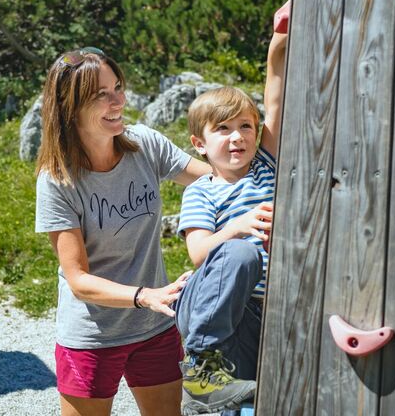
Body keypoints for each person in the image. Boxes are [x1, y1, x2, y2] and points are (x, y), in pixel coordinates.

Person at [34, 47, 210, 416]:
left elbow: (214, 179)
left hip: (154, 326)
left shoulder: (144, 145)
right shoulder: (58, 180)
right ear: (70, 107)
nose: (119, 100)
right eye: (103, 95)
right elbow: (79, 280)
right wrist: (145, 295)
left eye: (118, 87)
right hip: (92, 337)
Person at [174, 26, 288, 416]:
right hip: (213, 312)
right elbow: (198, 252)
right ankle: (201, 368)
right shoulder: (202, 191)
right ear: (200, 144)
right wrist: (237, 226)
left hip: (263, 311)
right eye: (222, 129)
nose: (236, 137)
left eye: (245, 127)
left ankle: (211, 388)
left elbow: (275, 98)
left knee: (244, 400)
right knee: (240, 253)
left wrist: (277, 46)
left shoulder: (265, 166)